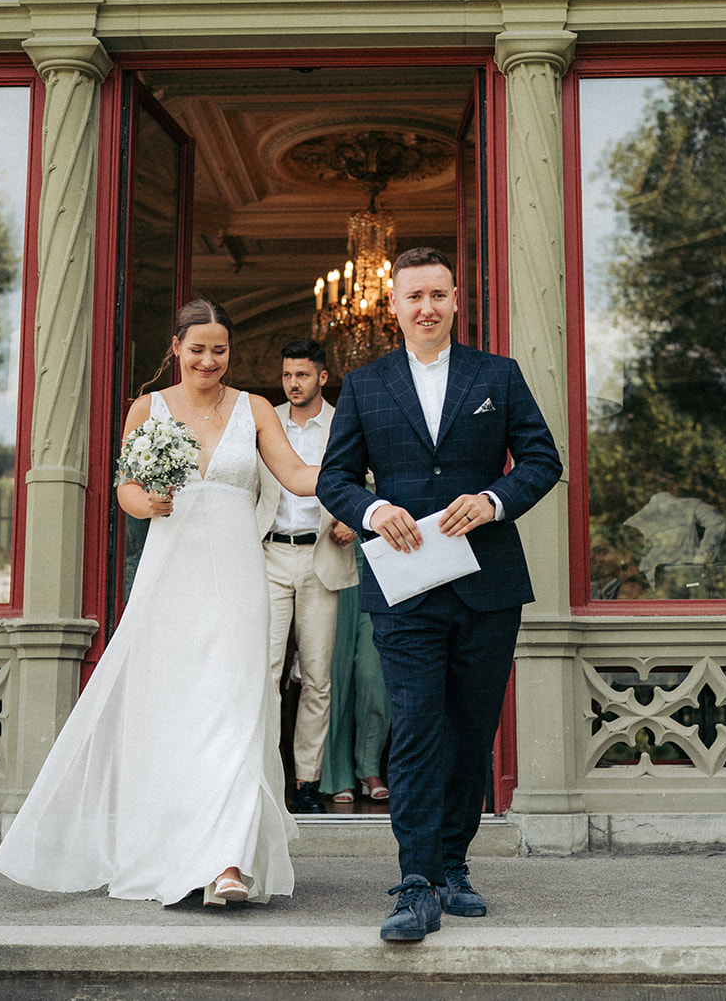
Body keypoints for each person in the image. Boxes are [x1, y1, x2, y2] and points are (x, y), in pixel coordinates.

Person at [0, 299, 319, 906]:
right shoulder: (150, 408)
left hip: (239, 573)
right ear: (176, 348)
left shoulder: (256, 408)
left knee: (238, 707)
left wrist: (359, 470)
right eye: (198, 349)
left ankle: (228, 864)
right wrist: (144, 504)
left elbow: (298, 476)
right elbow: (126, 489)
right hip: (173, 573)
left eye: (219, 350)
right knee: (175, 711)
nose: (209, 360)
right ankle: (176, 852)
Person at [317, 246, 562, 942]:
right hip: (404, 588)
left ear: (457, 300)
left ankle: (455, 863)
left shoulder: (498, 376)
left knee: (470, 728)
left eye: (438, 295)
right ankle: (416, 880)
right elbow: (333, 478)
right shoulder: (365, 385)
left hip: (489, 585)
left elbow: (543, 459)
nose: (427, 307)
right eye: (413, 296)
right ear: (391, 306)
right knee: (418, 724)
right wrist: (370, 510)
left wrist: (493, 498)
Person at [254, 337, 360, 814]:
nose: (293, 384)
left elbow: (369, 480)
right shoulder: (261, 420)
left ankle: (308, 784)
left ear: (322, 376)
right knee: (266, 674)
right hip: (267, 557)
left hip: (322, 559)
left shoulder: (344, 422)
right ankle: (262, 779)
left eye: (302, 375)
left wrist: (353, 517)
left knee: (318, 678)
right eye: (286, 376)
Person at [319, 545, 391, 806]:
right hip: (333, 566)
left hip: (381, 567)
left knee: (374, 677)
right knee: (334, 678)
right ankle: (338, 776)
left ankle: (369, 768)